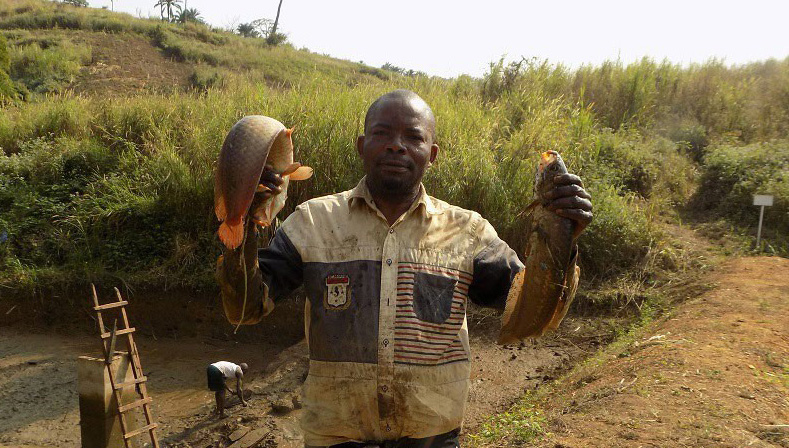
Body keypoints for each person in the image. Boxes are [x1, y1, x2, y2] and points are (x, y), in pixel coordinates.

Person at [216, 90, 593, 447]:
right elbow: (246, 307)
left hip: (431, 436)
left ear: (432, 154)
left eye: (413, 137)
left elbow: (535, 310)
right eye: (382, 133)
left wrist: (564, 237)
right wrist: (244, 220)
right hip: (336, 435)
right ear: (362, 146)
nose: (397, 145)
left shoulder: (468, 232)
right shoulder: (313, 222)